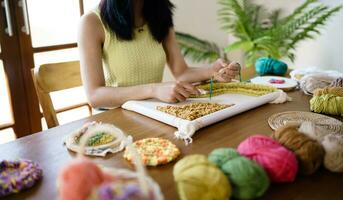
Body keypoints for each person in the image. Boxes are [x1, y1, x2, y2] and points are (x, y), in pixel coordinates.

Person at [78, 0, 240, 108]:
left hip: (155, 111)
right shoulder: (92, 22)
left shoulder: (160, 16)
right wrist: (153, 90)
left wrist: (212, 71)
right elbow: (94, 96)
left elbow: (181, 72)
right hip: (116, 118)